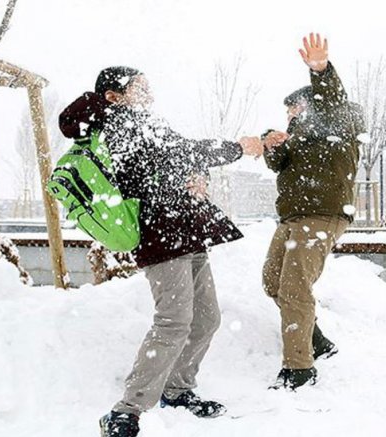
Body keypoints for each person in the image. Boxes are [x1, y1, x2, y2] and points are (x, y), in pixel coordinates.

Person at [58, 66, 264, 437]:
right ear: (114, 96)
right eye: (140, 87)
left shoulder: (142, 121)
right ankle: (126, 411)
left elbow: (176, 160)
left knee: (206, 318)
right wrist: (238, 148)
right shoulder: (118, 123)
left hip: (185, 229)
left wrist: (198, 176)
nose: (149, 93)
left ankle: (178, 389)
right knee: (173, 321)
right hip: (160, 235)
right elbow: (180, 153)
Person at [260, 33, 364, 390]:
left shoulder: (338, 124)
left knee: (293, 287)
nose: (290, 115)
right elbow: (278, 165)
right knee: (272, 281)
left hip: (322, 215)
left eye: (295, 109)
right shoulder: (299, 138)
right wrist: (271, 142)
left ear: (313, 106)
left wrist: (320, 71)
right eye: (287, 112)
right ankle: (316, 340)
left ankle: (299, 369)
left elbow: (333, 101)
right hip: (293, 217)